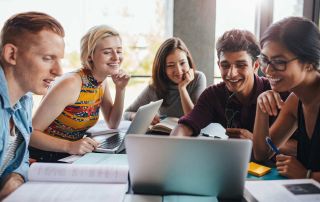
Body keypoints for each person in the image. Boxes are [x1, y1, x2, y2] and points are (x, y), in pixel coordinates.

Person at [29, 25, 130, 162]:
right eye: (107, 52)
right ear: (90, 56)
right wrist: (70, 146)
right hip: (42, 157)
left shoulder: (101, 81)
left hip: (69, 156)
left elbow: (113, 123)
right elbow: (31, 134)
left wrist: (120, 89)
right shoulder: (71, 84)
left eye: (119, 51)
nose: (115, 57)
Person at [171, 29, 289, 141]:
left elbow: (299, 147)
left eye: (241, 65)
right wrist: (172, 146)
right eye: (225, 65)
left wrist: (255, 140)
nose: (231, 74)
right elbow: (186, 125)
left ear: (255, 66)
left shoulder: (278, 92)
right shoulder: (213, 95)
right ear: (219, 65)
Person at [0, 12, 65, 199]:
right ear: (12, 54)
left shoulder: (25, 99)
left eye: (59, 59)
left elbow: (19, 161)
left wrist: (16, 177)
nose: (59, 71)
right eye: (47, 58)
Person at [253, 17, 320, 181]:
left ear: (309, 62)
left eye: (278, 62)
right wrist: (261, 108)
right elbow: (262, 154)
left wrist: (307, 175)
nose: (267, 70)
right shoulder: (295, 100)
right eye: (265, 60)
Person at [124, 37, 206, 125]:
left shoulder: (198, 78)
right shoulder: (156, 87)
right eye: (170, 65)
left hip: (191, 136)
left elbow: (194, 119)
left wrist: (182, 88)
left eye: (182, 63)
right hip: (165, 135)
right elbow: (127, 113)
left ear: (188, 61)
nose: (178, 71)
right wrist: (142, 117)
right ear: (162, 68)